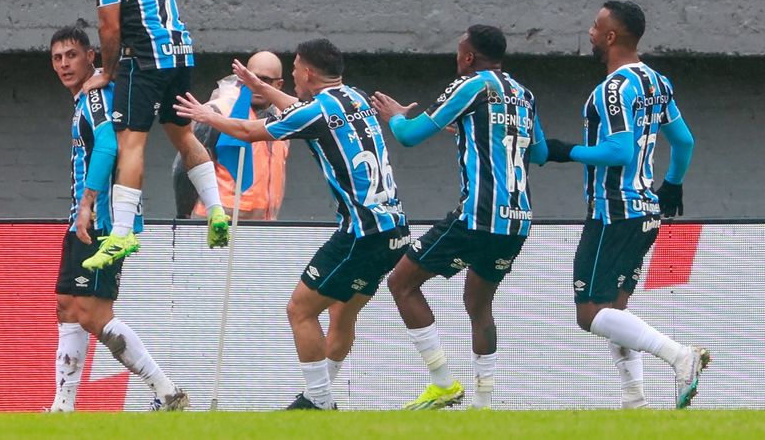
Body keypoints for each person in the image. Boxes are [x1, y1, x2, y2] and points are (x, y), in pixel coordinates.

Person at [174, 39, 410, 411]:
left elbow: (251, 132)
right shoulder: (355, 97)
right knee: (341, 313)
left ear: (308, 73)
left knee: (299, 310)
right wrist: (261, 87)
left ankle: (318, 401)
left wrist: (206, 116)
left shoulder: (314, 111)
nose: (294, 74)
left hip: (361, 233)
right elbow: (302, 109)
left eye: (296, 68)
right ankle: (320, 397)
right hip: (394, 228)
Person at [370, 25, 547, 410]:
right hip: (516, 219)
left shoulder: (471, 85)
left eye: (458, 52)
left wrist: (396, 116)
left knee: (401, 283)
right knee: (479, 304)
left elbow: (410, 136)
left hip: (477, 216)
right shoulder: (523, 94)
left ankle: (443, 383)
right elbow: (539, 151)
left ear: (468, 57)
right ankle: (483, 405)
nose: (457, 58)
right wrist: (470, 130)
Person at [541, 0, 705, 409]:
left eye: (596, 27)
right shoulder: (656, 81)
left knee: (589, 313)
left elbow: (617, 150)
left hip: (614, 210)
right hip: (646, 209)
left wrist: (564, 151)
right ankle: (634, 401)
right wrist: (673, 184)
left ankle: (679, 355)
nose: (591, 33)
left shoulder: (612, 89)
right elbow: (684, 141)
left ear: (611, 36)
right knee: (615, 310)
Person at [56, 0, 230, 271]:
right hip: (180, 51)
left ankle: (120, 233)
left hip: (146, 58)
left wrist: (108, 71)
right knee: (183, 135)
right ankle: (216, 210)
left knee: (129, 142)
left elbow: (109, 24)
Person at [47, 26, 188, 412]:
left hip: (101, 220)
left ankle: (166, 390)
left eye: (72, 55)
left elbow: (109, 145)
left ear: (91, 56)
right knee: (65, 303)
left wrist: (89, 204)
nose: (64, 64)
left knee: (94, 314)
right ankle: (63, 405)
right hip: (83, 218)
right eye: (57, 58)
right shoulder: (84, 100)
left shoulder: (95, 97)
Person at [172, 51, 290, 220]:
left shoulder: (283, 118)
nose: (256, 84)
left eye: (265, 80)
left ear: (279, 84)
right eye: (252, 77)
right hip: (217, 220)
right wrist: (184, 216)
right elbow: (184, 167)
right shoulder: (218, 111)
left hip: (264, 223)